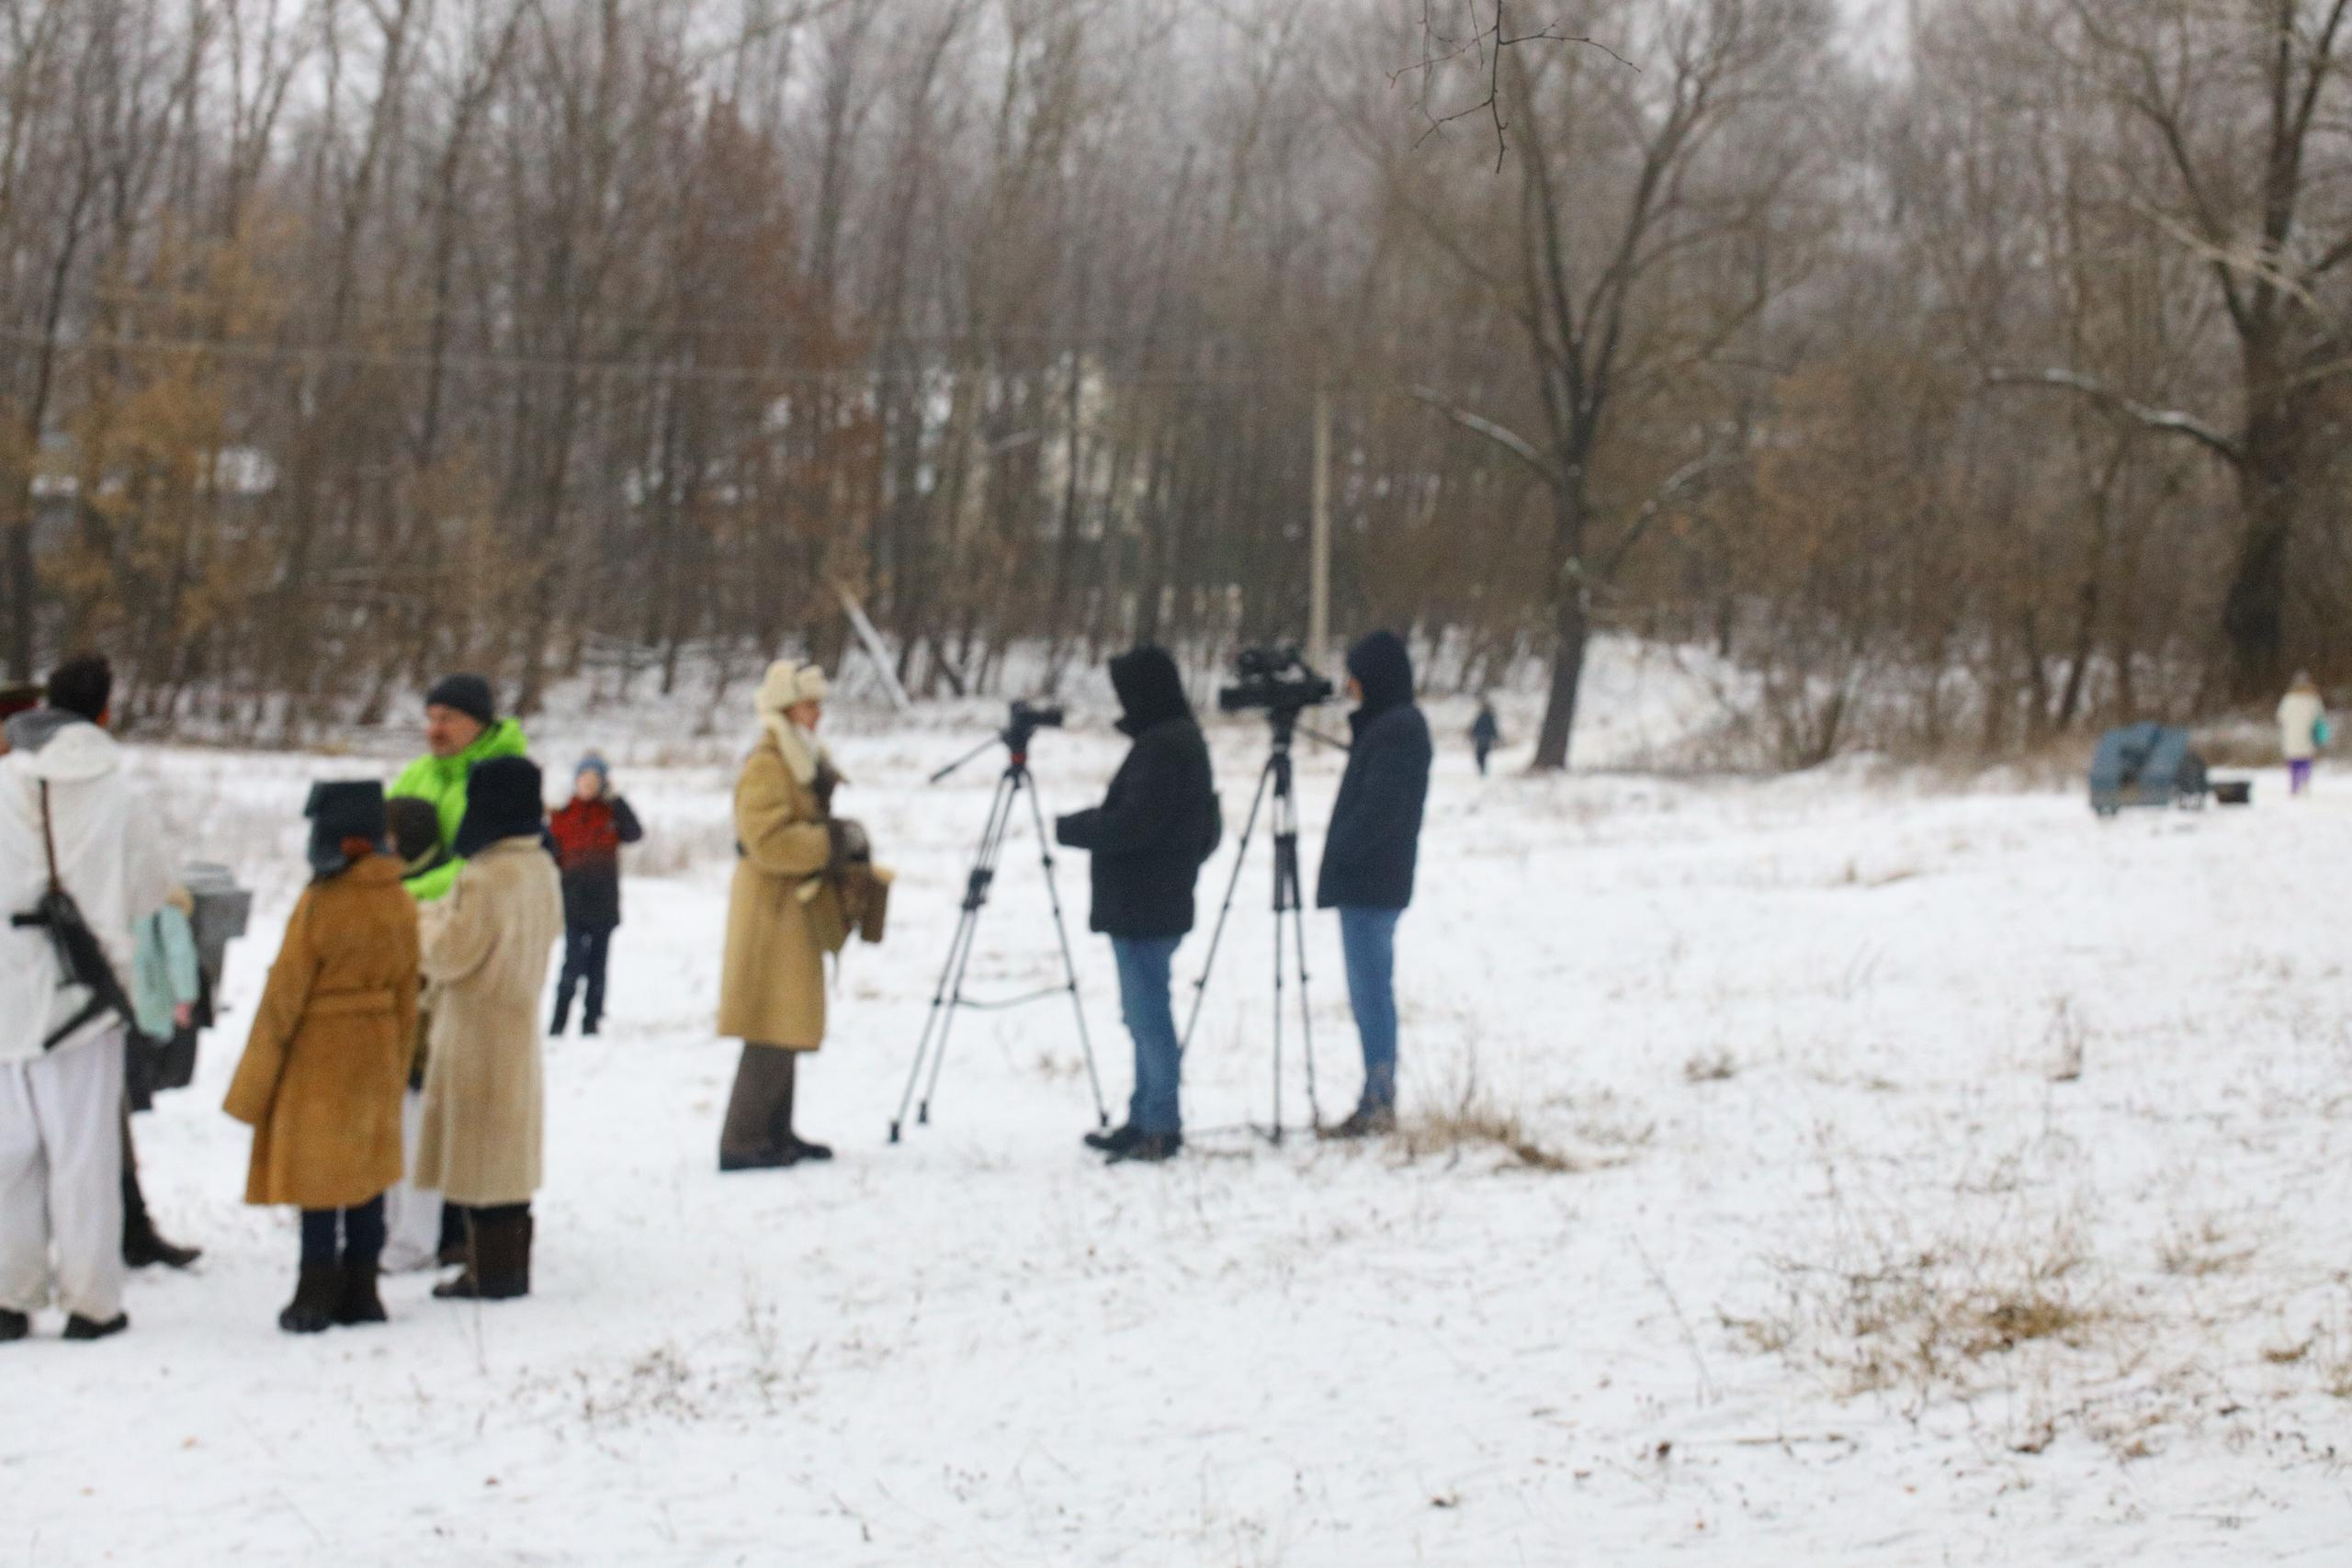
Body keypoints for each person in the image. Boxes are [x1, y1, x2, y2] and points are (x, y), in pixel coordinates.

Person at [0, 656, 171, 1342]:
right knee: (83, 1153)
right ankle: (91, 1302)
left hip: (5, 990)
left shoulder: (3, 781)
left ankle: (8, 1296)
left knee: (7, 1153)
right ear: (104, 712)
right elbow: (153, 889)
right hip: (84, 999)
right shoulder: (119, 794)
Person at [221, 782, 420, 1333]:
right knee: (366, 1177)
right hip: (377, 1049)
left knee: (319, 1183)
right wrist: (397, 1059)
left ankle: (314, 1292)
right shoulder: (400, 900)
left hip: (319, 1057)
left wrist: (253, 1083)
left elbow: (283, 996)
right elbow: (409, 993)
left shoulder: (320, 903)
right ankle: (363, 1290)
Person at [381, 675, 527, 1270]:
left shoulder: (502, 777)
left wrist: (400, 893)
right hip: (416, 949)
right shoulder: (419, 774)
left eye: (449, 717)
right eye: (430, 715)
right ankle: (422, 1212)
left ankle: (466, 1220)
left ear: (481, 723)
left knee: (467, 1091)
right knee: (418, 1088)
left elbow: (480, 867)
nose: (435, 728)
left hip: (474, 953)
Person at [1056, 646, 1216, 1166]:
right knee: (1142, 1015)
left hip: (1146, 906)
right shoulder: (1178, 740)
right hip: (1155, 901)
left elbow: (1134, 825)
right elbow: (1205, 826)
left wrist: (1074, 827)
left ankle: (1160, 1124)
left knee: (1148, 1018)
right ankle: (1144, 1117)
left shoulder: (1164, 747)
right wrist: (1181, 865)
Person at [414, 756, 563, 1301]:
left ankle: (490, 1272)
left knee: (479, 1157)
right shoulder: (541, 868)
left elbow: (453, 953)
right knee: (509, 1157)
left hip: (476, 1025)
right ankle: (508, 1266)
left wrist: (421, 920)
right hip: (519, 1022)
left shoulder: (485, 876)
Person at [716, 662, 865, 1171]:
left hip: (793, 905)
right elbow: (766, 841)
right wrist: (832, 841)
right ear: (785, 708)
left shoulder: (797, 754)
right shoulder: (768, 761)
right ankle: (743, 1139)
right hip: (771, 908)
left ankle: (775, 1132)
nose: (818, 714)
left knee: (788, 1019)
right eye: (810, 705)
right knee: (770, 1020)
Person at [1317, 631, 1433, 1138]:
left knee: (1370, 995)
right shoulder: (1393, 726)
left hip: (1371, 884)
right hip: (1375, 881)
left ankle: (1379, 1099)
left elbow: (1379, 811)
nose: (1350, 686)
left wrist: (1342, 852)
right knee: (1370, 992)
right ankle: (1376, 1095)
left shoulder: (1397, 730)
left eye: (1356, 676)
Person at [378, 794, 455, 1275]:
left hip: (424, 1042)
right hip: (394, 1039)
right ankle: (393, 1232)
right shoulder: (397, 887)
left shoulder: (438, 891)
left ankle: (414, 1241)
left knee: (417, 1141)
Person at [121, 886, 204, 1269]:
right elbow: (180, 951)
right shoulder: (161, 899)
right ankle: (131, 1232)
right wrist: (185, 997)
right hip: (133, 1014)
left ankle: (130, 1230)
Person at [547, 754, 643, 1037]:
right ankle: (558, 1023)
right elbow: (548, 852)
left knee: (598, 967)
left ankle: (591, 1023)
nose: (588, 785)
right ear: (575, 781)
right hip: (573, 902)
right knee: (572, 963)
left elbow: (635, 834)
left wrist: (617, 801)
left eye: (594, 780)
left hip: (603, 902)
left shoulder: (611, 813)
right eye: (583, 779)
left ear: (602, 784)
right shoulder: (562, 815)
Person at [2278, 672, 2327, 797]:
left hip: (2292, 735)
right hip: (2308, 735)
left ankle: (2294, 787)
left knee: (2294, 762)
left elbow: (2280, 717)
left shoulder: (2288, 699)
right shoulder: (2313, 700)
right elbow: (2320, 717)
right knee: (2305, 760)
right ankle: (2305, 785)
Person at [1471, 698, 1503, 777]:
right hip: (1482, 737)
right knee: (1481, 754)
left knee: (1481, 754)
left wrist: (1496, 737)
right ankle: (1482, 768)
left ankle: (1482, 768)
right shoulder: (1482, 716)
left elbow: (1492, 728)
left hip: (1485, 738)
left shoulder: (1489, 717)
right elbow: (1476, 727)